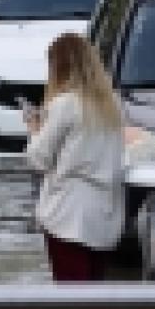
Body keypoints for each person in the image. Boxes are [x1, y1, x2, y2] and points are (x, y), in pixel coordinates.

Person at [24, 33, 124, 283]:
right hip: (105, 214)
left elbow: (38, 159)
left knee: (71, 297)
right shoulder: (112, 104)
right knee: (95, 297)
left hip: (69, 215)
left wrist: (34, 128)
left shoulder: (65, 105)